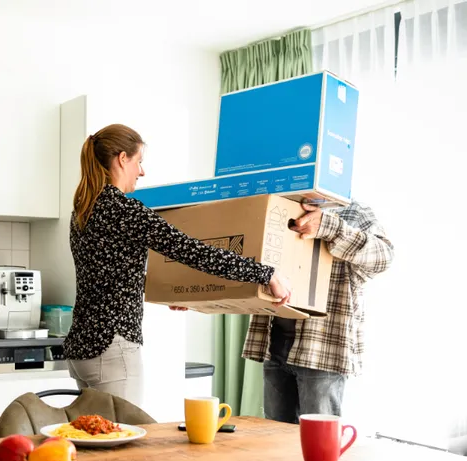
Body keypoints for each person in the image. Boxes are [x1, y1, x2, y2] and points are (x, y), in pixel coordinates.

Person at [63, 124, 292, 406]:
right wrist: (265, 273)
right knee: (120, 442)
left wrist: (171, 292)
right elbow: (194, 252)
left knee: (93, 439)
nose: (142, 172)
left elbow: (112, 274)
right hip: (112, 347)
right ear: (122, 159)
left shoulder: (83, 211)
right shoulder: (124, 210)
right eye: (139, 161)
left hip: (82, 347)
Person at [242, 200, 394, 423]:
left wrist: (330, 227)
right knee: (275, 438)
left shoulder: (354, 213)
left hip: (322, 349)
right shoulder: (282, 204)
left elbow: (384, 258)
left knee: (318, 439)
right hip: (275, 343)